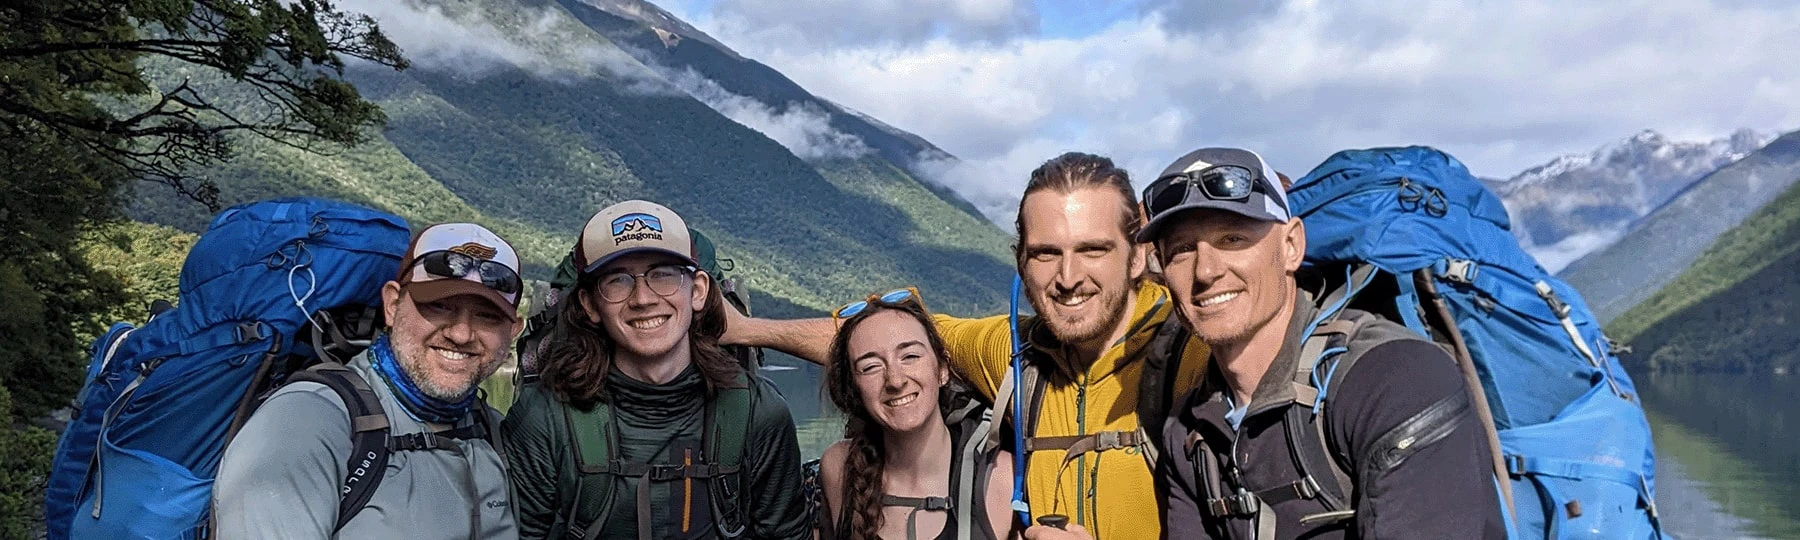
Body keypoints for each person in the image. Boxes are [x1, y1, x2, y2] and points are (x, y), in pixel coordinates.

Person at [725, 153, 1212, 540]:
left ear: (1138, 257)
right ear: (1021, 263)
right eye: (1046, 253)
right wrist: (746, 330)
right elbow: (885, 339)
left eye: (1093, 249)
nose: (1068, 277)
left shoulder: (1195, 353)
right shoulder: (1012, 351)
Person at [1138, 147, 1506, 539]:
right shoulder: (1190, 430)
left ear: (1291, 246)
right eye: (1181, 251)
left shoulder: (1395, 379)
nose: (1206, 271)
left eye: (1232, 239)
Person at [502, 200, 811, 540]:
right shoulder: (543, 419)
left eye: (663, 275)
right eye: (618, 280)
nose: (643, 298)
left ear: (697, 291)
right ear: (590, 304)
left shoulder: (758, 413)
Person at [213, 222, 524, 538]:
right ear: (392, 305)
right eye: (439, 306)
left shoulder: (493, 432)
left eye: (487, 316)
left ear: (512, 332)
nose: (460, 333)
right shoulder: (305, 421)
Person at [818, 287, 1017, 540]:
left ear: (942, 369)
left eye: (910, 356)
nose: (895, 380)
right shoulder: (839, 470)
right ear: (854, 389)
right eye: (870, 367)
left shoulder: (1001, 479)